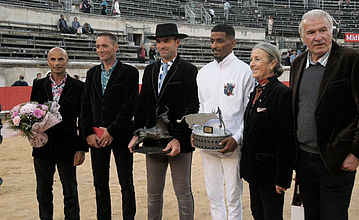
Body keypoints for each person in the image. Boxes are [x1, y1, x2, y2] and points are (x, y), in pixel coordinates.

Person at [289, 9, 359, 220]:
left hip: (336, 159)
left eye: (323, 30)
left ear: (332, 31)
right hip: (304, 160)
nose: (318, 37)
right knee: (310, 215)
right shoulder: (297, 64)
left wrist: (357, 152)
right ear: (303, 37)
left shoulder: (352, 60)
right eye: (311, 32)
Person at [128, 23, 199, 220]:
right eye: (159, 41)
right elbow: (142, 105)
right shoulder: (150, 70)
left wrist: (179, 139)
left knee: (183, 192)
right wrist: (137, 134)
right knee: (153, 193)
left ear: (177, 42)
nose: (162, 45)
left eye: (166, 41)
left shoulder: (189, 70)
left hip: (178, 141)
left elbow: (192, 109)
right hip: (152, 140)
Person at [195, 24, 254, 220]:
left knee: (233, 196)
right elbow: (202, 107)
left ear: (233, 43)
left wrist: (237, 138)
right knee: (213, 195)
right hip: (207, 143)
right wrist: (197, 129)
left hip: (233, 145)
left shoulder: (245, 72)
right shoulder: (203, 73)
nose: (215, 45)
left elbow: (249, 113)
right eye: (212, 41)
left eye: (220, 40)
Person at [80, 33, 139, 220]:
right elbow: (85, 106)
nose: (100, 50)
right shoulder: (91, 74)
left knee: (126, 182)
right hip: (96, 137)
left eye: (104, 46)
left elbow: (129, 105)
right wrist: (87, 133)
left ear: (116, 47)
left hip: (120, 135)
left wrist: (112, 131)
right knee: (100, 183)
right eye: (97, 47)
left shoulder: (129, 72)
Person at [240, 42, 296, 219]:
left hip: (271, 173)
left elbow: (285, 138)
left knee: (271, 216)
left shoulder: (282, 94)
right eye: (251, 59)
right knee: (257, 213)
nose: (252, 64)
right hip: (254, 170)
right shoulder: (256, 90)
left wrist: (282, 178)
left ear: (272, 63)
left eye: (257, 59)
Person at [30, 47, 87, 220]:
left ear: (67, 61)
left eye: (60, 59)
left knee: (70, 192)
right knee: (43, 191)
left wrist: (81, 148)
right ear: (48, 61)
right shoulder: (38, 85)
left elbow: (83, 119)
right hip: (42, 147)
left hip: (68, 147)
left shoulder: (78, 87)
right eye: (53, 59)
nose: (56, 63)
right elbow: (32, 113)